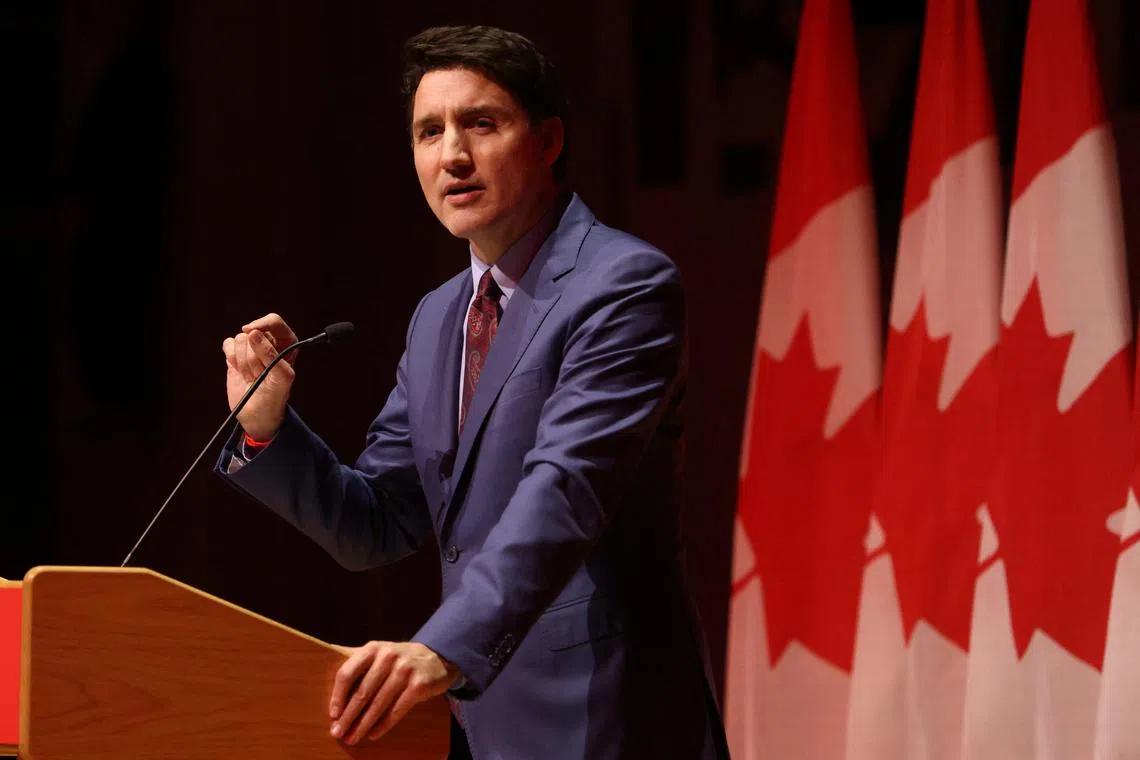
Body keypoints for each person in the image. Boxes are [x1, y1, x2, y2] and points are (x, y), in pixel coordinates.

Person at [215, 24, 729, 760]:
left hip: (609, 717)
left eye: (480, 124)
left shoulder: (623, 284)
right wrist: (267, 429)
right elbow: (378, 524)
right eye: (429, 132)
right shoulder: (439, 317)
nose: (451, 154)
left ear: (548, 140)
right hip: (478, 727)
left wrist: (440, 648)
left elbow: (567, 491)